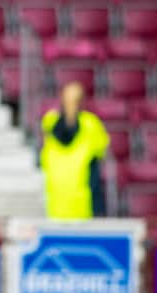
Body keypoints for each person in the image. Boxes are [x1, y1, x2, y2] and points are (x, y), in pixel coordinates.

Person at [40, 82, 109, 220]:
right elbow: (102, 150)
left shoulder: (49, 121)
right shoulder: (90, 123)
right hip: (83, 203)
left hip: (57, 202)